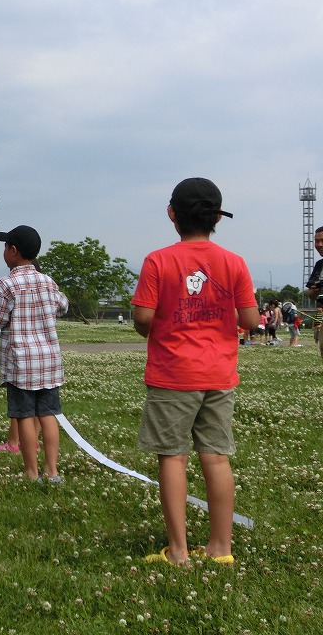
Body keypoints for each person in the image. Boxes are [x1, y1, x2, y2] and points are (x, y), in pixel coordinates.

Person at [131, 177, 259, 566]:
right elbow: (250, 320)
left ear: (172, 214)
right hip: (219, 374)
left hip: (173, 374)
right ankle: (221, 548)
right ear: (218, 217)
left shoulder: (158, 261)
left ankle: (179, 551)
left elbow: (143, 317)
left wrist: (154, 327)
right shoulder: (234, 262)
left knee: (173, 457)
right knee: (216, 458)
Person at [0, 225, 69, 483]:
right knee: (48, 415)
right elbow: (63, 306)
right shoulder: (48, 281)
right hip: (48, 363)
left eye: (5, 247)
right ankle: (52, 471)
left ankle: (32, 473)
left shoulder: (7, 284)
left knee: (24, 416)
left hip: (21, 364)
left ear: (13, 250)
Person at [306, 226, 323, 360]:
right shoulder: (319, 265)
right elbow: (311, 295)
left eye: (322, 241)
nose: (319, 244)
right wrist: (314, 291)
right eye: (316, 241)